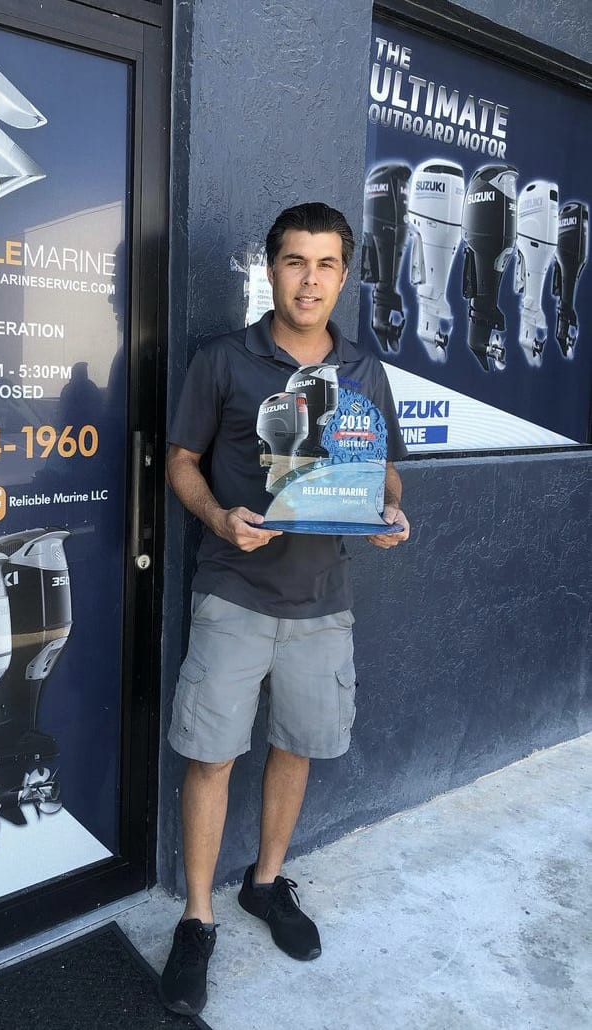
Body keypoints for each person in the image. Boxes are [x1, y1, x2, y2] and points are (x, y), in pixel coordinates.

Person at [159, 202, 410, 1016]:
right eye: (295, 261)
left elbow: (388, 470)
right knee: (212, 755)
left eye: (327, 264)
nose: (310, 279)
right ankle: (198, 919)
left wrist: (389, 512)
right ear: (269, 270)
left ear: (344, 275)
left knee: (296, 747)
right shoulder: (224, 360)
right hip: (232, 589)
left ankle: (265, 885)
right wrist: (217, 517)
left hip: (321, 599)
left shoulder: (365, 372)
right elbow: (183, 461)